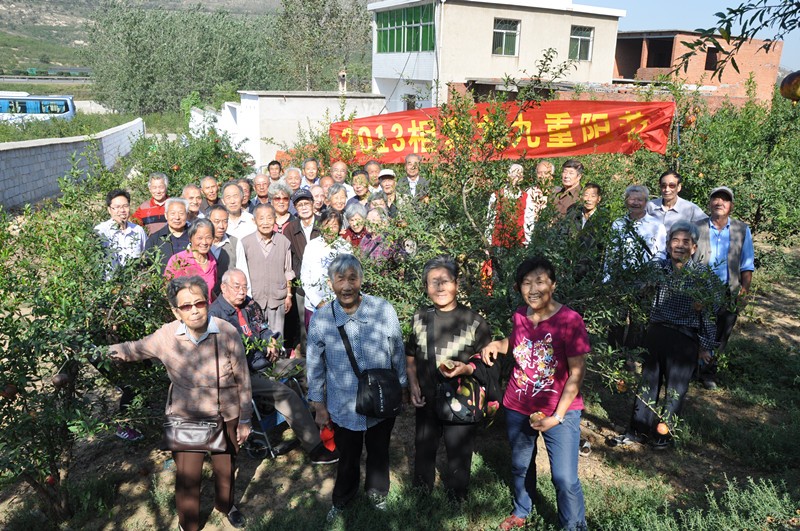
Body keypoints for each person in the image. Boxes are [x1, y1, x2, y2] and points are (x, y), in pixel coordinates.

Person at [108, 276, 252, 531]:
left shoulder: (227, 332)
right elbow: (133, 349)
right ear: (176, 311)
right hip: (188, 417)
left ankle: (226, 505)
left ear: (208, 302)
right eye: (186, 306)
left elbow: (243, 378)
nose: (194, 310)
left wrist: (245, 419)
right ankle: (189, 525)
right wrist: (94, 352)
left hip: (226, 412)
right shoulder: (166, 336)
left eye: (199, 303)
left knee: (226, 467)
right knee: (188, 477)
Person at [481, 256, 590, 531]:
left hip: (559, 410)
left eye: (540, 281)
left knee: (564, 477)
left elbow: (577, 373)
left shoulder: (570, 320)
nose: (533, 289)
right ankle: (521, 509)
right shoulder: (520, 315)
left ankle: (574, 526)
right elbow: (518, 343)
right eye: (526, 283)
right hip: (518, 406)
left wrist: (558, 416)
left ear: (553, 284)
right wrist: (497, 345)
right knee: (520, 466)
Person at [306, 254, 407, 522]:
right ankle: (342, 499)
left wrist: (402, 386)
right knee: (348, 456)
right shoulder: (321, 319)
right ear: (331, 283)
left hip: (381, 399)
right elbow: (314, 365)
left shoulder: (382, 309)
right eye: (341, 280)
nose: (347, 286)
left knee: (379, 450)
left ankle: (377, 493)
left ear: (361, 280)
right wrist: (318, 405)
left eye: (353, 278)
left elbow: (397, 349)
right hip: (343, 404)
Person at [210, 269, 340, 464]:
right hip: (244, 372)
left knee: (310, 368)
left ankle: (325, 420)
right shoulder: (215, 316)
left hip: (267, 361)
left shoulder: (249, 304)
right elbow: (223, 356)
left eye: (245, 287)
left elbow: (263, 328)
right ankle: (315, 448)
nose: (242, 291)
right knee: (286, 394)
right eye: (237, 287)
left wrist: (271, 340)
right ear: (223, 287)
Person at [613, 221, 720, 449]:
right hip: (657, 332)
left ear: (694, 248)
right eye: (675, 240)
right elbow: (636, 293)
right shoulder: (657, 269)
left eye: (685, 242)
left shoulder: (703, 277)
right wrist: (645, 287)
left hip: (685, 338)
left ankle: (664, 435)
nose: (679, 245)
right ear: (668, 244)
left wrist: (705, 345)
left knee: (675, 390)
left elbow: (710, 314)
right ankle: (638, 430)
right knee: (647, 383)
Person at [405, 256, 496, 500]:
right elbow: (410, 354)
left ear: (456, 283)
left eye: (445, 281)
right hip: (426, 397)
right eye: (433, 282)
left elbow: (488, 365)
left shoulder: (474, 322)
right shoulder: (419, 319)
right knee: (424, 448)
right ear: (426, 287)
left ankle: (457, 498)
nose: (440, 287)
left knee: (459, 453)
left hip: (461, 399)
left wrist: (465, 369)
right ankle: (421, 496)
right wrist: (413, 383)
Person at [693, 186, 754, 389]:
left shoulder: (741, 230)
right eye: (716, 199)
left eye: (724, 200)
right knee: (696, 328)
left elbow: (747, 263)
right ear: (710, 203)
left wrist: (744, 291)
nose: (719, 203)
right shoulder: (697, 227)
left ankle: (709, 372)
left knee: (721, 333)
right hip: (700, 289)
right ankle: (692, 367)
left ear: (731, 206)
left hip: (728, 290)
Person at [237, 204, 294, 337]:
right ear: (254, 221)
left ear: (275, 219)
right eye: (261, 218)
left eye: (269, 218)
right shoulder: (245, 243)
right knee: (256, 336)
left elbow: (288, 271)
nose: (266, 222)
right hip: (254, 299)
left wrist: (289, 295)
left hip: (277, 298)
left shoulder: (284, 241)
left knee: (277, 337)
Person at [300, 210, 352, 328]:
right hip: (313, 305)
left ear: (339, 228)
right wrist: (317, 302)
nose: (330, 229)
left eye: (334, 226)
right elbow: (305, 277)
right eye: (327, 225)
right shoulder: (312, 246)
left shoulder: (345, 247)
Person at [485, 163, 545, 247]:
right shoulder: (496, 196)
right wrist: (488, 242)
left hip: (518, 242)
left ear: (522, 178)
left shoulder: (526, 197)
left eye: (519, 174)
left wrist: (528, 243)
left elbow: (529, 221)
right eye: (513, 173)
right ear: (507, 176)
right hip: (498, 242)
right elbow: (490, 219)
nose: (516, 177)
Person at [94, 189, 147, 274]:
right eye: (117, 207)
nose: (122, 210)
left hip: (134, 280)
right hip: (109, 281)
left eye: (125, 206)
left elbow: (146, 255)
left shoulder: (138, 230)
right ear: (109, 210)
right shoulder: (101, 231)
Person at [166, 218, 218, 301]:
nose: (204, 242)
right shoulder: (178, 260)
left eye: (208, 238)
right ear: (190, 238)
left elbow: (210, 292)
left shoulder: (212, 261)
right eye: (199, 238)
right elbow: (167, 290)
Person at [144, 197, 191, 273]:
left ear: (187, 215)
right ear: (166, 215)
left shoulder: (194, 236)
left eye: (181, 213)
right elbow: (148, 265)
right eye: (172, 213)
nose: (177, 217)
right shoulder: (155, 239)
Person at [208, 204, 237, 299]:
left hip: (229, 298)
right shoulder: (199, 244)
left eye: (225, 221)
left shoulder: (235, 243)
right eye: (217, 222)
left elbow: (242, 271)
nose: (221, 226)